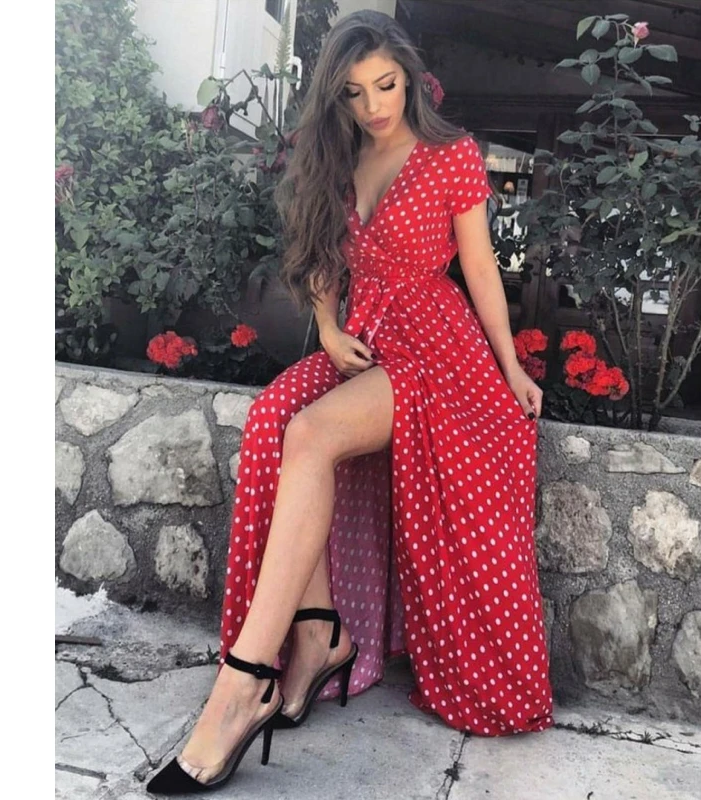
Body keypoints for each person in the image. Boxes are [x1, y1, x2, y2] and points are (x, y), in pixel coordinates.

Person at [147, 9, 553, 795]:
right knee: (275, 421)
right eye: (355, 92)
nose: (374, 105)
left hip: (435, 354)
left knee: (312, 433)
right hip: (363, 346)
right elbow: (322, 265)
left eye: (386, 85)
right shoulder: (339, 159)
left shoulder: (451, 155)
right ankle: (319, 635)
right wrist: (328, 328)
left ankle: (242, 684)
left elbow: (480, 271)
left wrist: (511, 368)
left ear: (411, 77)